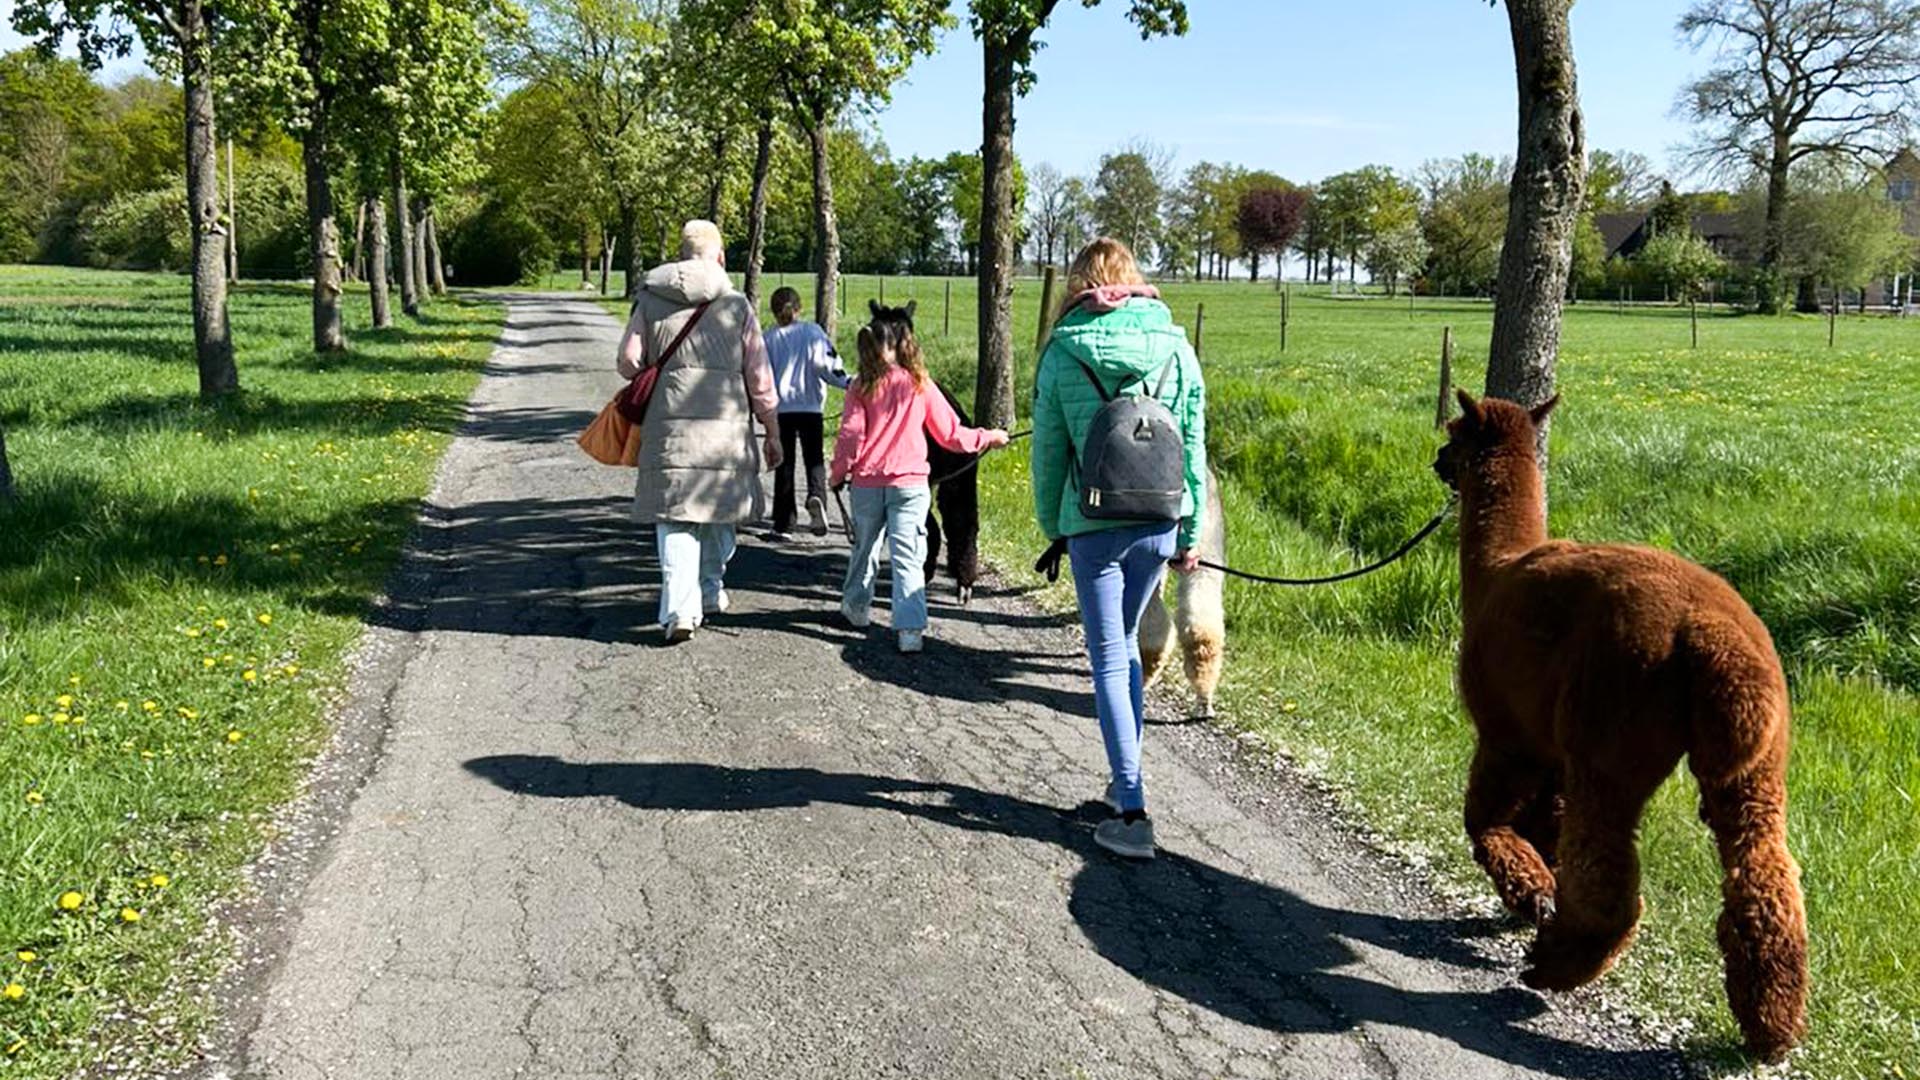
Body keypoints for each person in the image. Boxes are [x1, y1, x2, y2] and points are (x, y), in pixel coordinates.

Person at [1030, 237, 1207, 860]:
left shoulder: (1063, 351)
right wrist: (1188, 532)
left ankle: (1133, 811)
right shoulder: (1177, 347)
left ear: (1080, 282)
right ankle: (1122, 776)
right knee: (1126, 646)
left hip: (1094, 520)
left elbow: (1049, 449)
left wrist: (1053, 522)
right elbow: (1193, 444)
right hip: (1159, 518)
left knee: (1107, 655)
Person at [619, 220, 783, 643]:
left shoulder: (650, 300)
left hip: (668, 423)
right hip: (725, 430)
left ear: (680, 255)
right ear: (721, 256)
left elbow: (627, 362)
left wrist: (660, 367)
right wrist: (773, 429)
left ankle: (679, 610)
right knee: (720, 511)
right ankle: (710, 589)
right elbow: (759, 378)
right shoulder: (737, 306)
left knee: (675, 517)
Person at [830, 317, 1008, 654]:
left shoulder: (859, 386)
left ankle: (856, 609)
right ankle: (910, 628)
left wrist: (838, 473)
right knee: (909, 555)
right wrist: (989, 437)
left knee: (864, 549)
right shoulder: (919, 383)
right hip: (910, 484)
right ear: (898, 345)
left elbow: (851, 437)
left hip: (868, 483)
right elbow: (951, 434)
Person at [764, 286, 850, 538]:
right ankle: (816, 496)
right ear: (799, 308)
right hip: (811, 408)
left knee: (785, 464)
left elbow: (761, 376)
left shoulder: (768, 338)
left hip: (782, 410)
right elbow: (828, 365)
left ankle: (784, 522)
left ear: (773, 310)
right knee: (814, 460)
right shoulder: (813, 332)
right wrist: (848, 383)